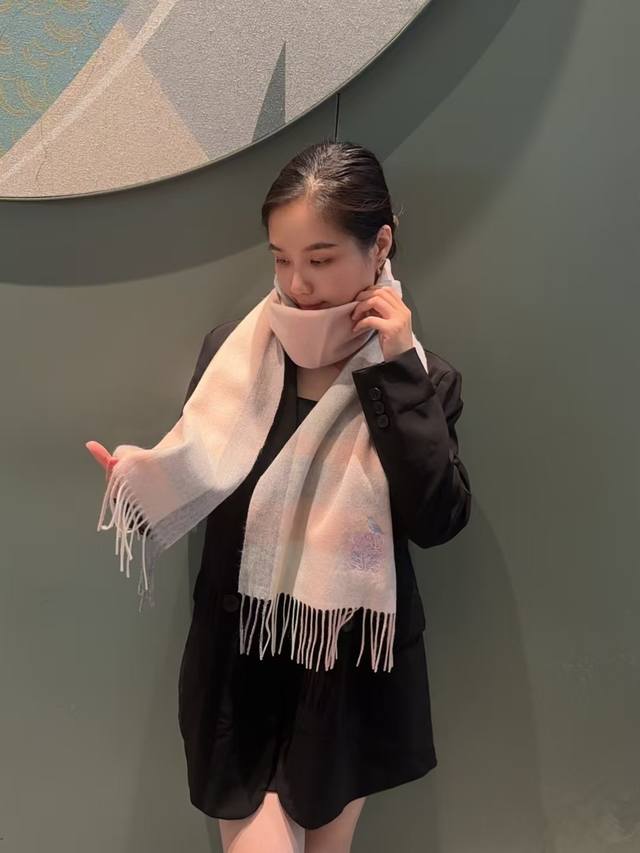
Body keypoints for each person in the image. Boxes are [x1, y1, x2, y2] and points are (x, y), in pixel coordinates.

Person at [87, 140, 472, 852]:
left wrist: (397, 373)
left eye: (321, 259)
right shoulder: (232, 356)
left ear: (380, 245)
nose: (298, 283)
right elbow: (203, 474)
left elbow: (438, 517)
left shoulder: (420, 379)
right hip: (240, 666)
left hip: (343, 675)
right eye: (281, 259)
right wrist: (145, 480)